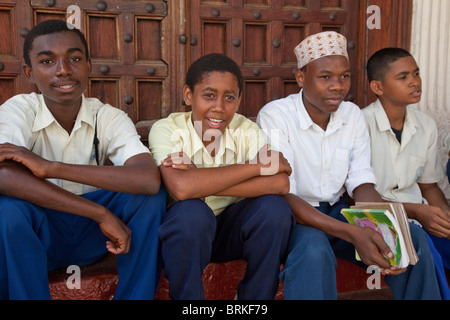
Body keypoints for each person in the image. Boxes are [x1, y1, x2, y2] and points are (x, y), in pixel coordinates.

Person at [257, 31, 441, 299]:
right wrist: (354, 234)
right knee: (314, 252)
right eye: (325, 77)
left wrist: (383, 229)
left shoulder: (351, 114)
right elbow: (284, 192)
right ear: (300, 78)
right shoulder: (276, 116)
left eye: (345, 76)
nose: (337, 85)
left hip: (338, 212)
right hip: (295, 217)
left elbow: (361, 182)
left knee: (412, 239)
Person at [0, 20, 166, 300]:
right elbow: (4, 175)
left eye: (74, 58)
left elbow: (148, 179)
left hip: (98, 238)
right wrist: (99, 213)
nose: (63, 69)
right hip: (43, 234)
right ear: (29, 72)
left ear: (88, 65)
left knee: (151, 198)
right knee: (7, 210)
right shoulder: (19, 109)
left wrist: (51, 168)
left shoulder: (107, 116)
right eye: (47, 61)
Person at [148, 53, 294, 300]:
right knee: (192, 212)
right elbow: (182, 190)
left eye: (229, 97)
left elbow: (280, 182)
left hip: (230, 229)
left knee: (274, 209)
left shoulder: (245, 129)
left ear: (238, 100)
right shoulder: (168, 129)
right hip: (187, 235)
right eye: (208, 95)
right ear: (188, 96)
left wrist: (200, 181)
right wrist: (255, 167)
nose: (218, 107)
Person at [364, 47, 450, 298]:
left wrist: (444, 217)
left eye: (416, 73)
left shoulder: (426, 125)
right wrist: (418, 214)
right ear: (378, 87)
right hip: (377, 217)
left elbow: (429, 186)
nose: (414, 82)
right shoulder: (360, 124)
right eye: (403, 77)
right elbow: (353, 196)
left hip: (420, 214)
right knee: (422, 249)